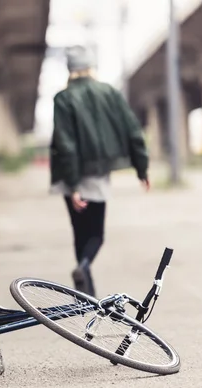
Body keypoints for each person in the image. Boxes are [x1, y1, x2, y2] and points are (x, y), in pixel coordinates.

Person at [49, 45, 150, 297]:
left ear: (70, 69)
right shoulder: (109, 93)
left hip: (69, 175)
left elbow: (66, 143)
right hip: (97, 174)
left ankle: (86, 290)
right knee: (96, 234)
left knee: (79, 232)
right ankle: (84, 270)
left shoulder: (63, 98)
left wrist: (72, 186)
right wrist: (142, 168)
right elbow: (133, 131)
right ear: (90, 66)